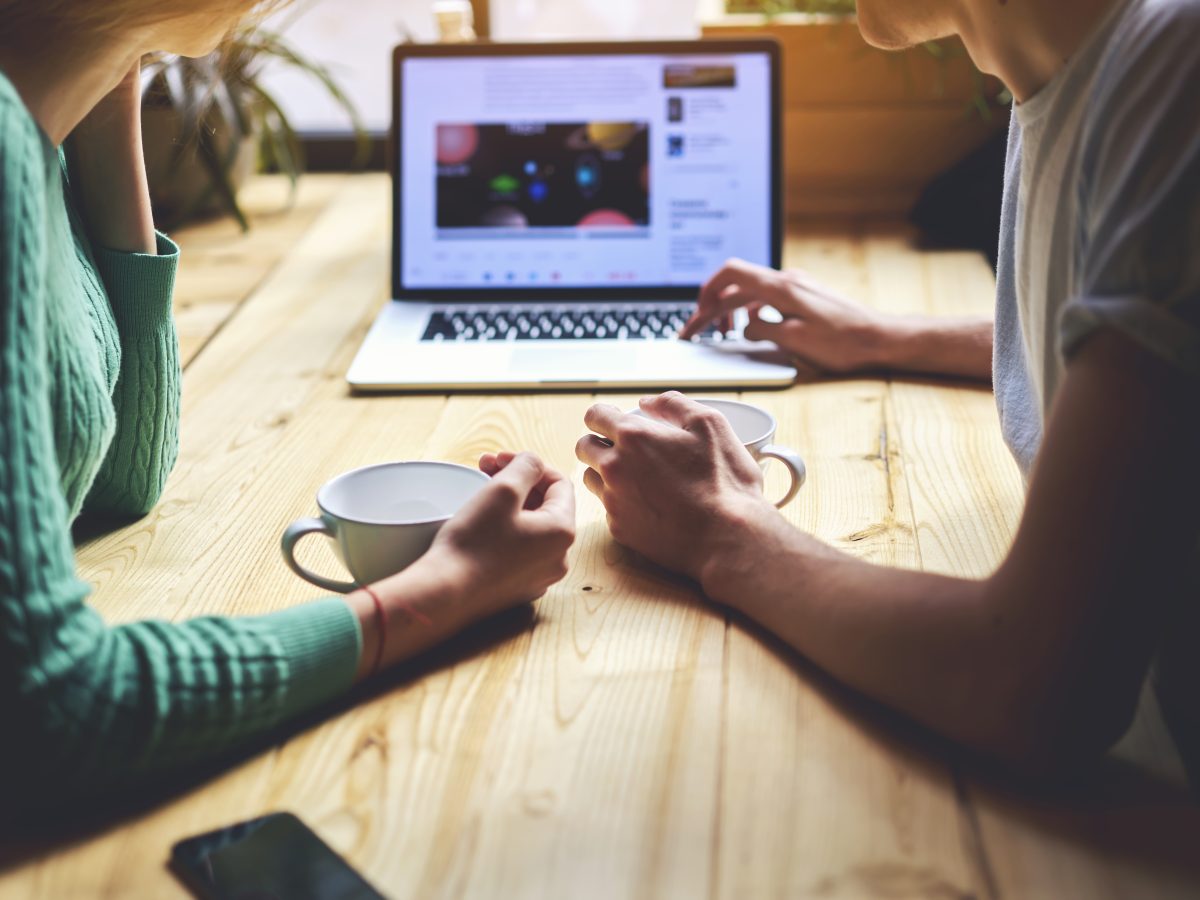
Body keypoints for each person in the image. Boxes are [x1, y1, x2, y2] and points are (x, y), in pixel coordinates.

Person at [578, 0, 1200, 773]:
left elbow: (1035, 681)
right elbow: (1124, 351)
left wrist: (719, 529)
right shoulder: (1064, 74)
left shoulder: (1179, 71)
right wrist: (878, 334)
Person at [0, 1, 575, 812]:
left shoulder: (34, 130)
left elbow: (117, 480)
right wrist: (447, 589)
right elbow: (51, 713)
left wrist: (107, 95)